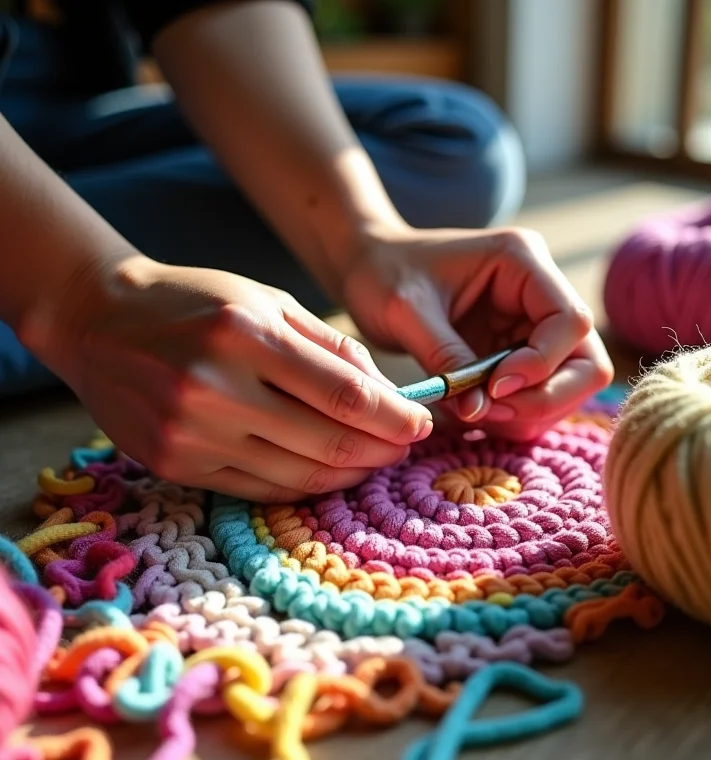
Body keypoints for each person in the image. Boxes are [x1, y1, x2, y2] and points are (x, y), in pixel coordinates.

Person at [0, 0, 613, 502]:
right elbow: (84, 293)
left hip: (69, 111)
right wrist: (82, 298)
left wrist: (365, 239)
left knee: (457, 144)